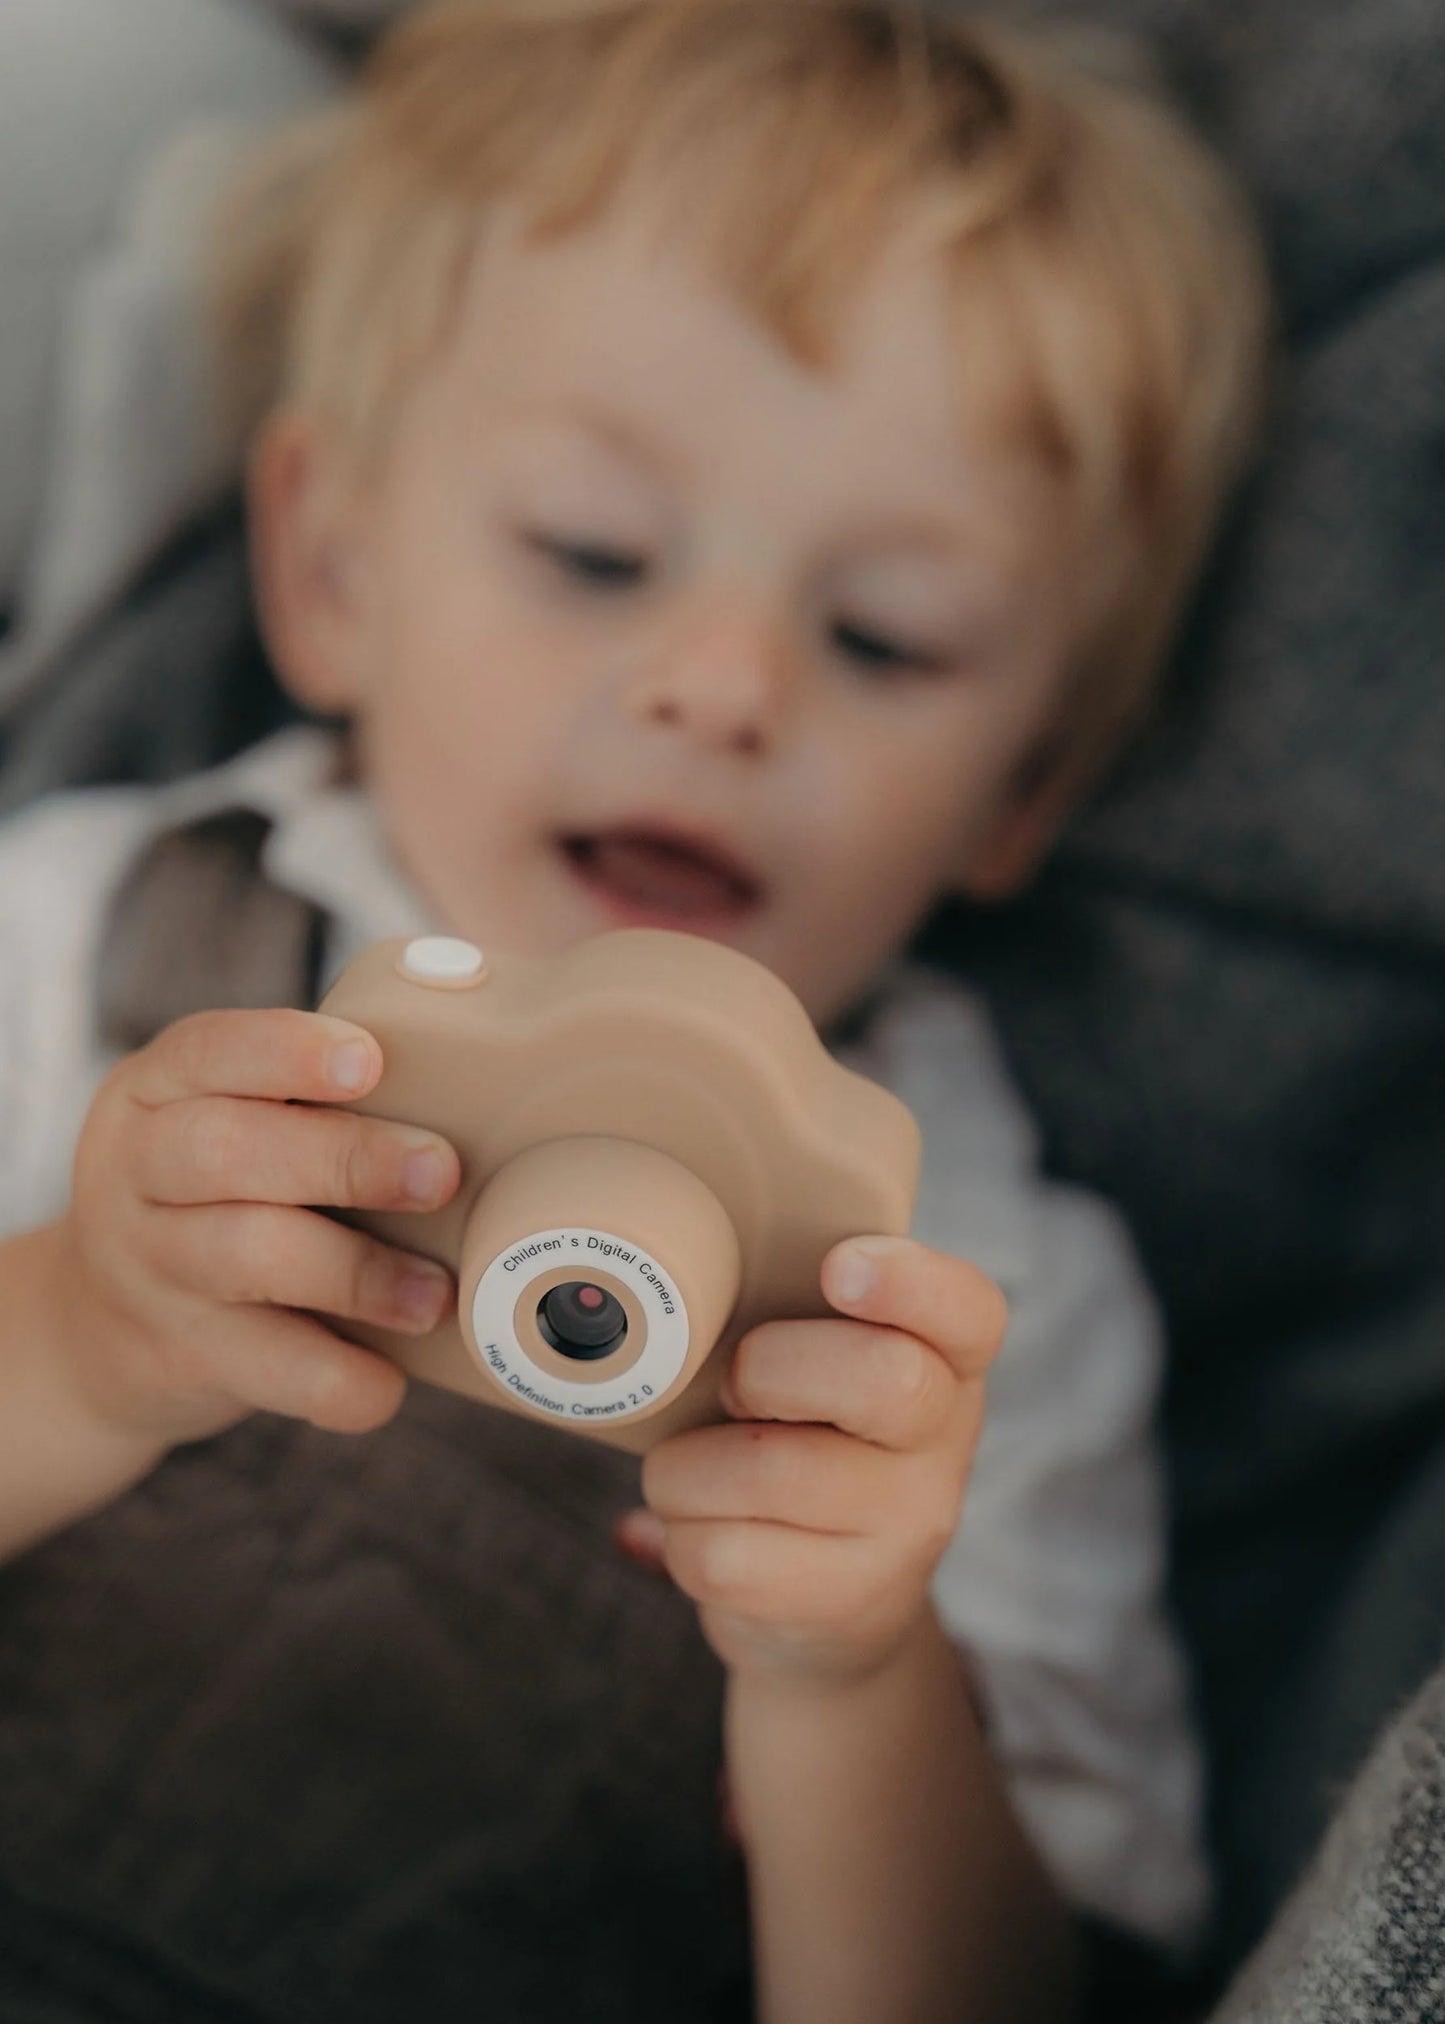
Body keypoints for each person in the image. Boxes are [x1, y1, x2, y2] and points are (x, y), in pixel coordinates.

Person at [0, 4, 1269, 2019]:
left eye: (886, 637)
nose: (724, 683)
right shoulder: (78, 936)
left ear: (1029, 786)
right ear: (331, 562)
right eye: (594, 551)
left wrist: (859, 1670)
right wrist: (76, 1328)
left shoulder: (987, 1292)